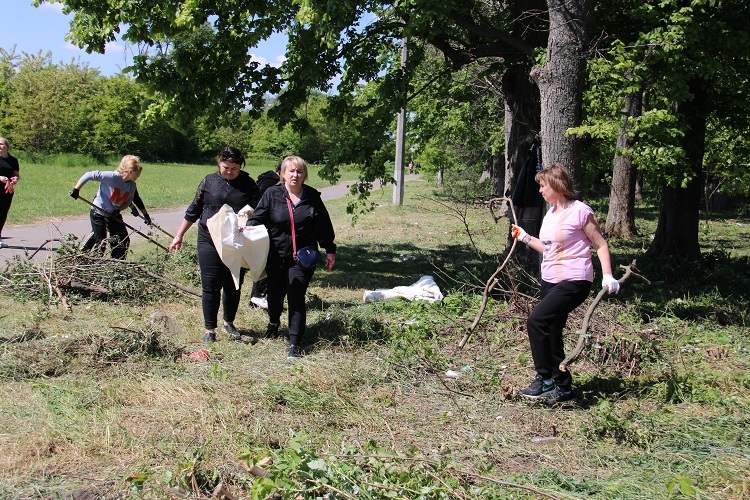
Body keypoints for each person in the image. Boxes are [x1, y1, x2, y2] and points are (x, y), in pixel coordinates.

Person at [510, 163, 619, 406]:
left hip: (574, 279)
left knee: (536, 321)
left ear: (557, 185)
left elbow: (600, 244)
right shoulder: (551, 214)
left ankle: (545, 378)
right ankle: (563, 387)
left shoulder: (580, 211)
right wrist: (525, 237)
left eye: (543, 185)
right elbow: (548, 249)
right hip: (550, 278)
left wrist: (608, 275)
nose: (540, 190)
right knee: (551, 329)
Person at [245, 155, 336, 359]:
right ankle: (274, 322)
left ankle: (294, 343)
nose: (295, 175)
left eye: (299, 171)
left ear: (304, 175)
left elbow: (324, 226)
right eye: (291, 171)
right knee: (276, 294)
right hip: (276, 255)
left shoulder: (312, 196)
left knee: (296, 296)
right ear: (283, 174)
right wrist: (247, 228)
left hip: (302, 257)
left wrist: (330, 249)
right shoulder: (272, 194)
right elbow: (258, 216)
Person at [168, 147, 261, 344]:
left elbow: (259, 211)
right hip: (208, 239)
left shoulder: (248, 184)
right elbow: (193, 209)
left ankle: (229, 322)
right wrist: (179, 235)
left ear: (241, 167)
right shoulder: (209, 181)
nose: (229, 171)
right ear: (219, 163)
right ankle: (209, 329)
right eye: (226, 167)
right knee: (210, 285)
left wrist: (250, 224)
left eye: (234, 168)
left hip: (235, 241)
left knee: (233, 284)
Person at [69, 155, 151, 259]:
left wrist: (123, 209)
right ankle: (84, 259)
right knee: (101, 241)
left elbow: (130, 200)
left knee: (123, 240)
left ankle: (116, 264)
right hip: (98, 211)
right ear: (130, 171)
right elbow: (89, 175)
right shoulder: (112, 177)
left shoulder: (131, 185)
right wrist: (76, 189)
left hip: (113, 213)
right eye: (137, 174)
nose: (138, 177)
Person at [248, 163, 281, 309]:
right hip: (264, 226)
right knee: (264, 264)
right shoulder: (271, 183)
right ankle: (258, 296)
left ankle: (256, 298)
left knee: (263, 263)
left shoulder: (266, 179)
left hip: (263, 225)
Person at [0, 137, 20, 248]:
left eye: (1, 144)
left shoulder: (13, 160)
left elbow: (16, 174)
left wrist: (15, 179)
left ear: (7, 146)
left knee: (2, 213)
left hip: (7, 190)